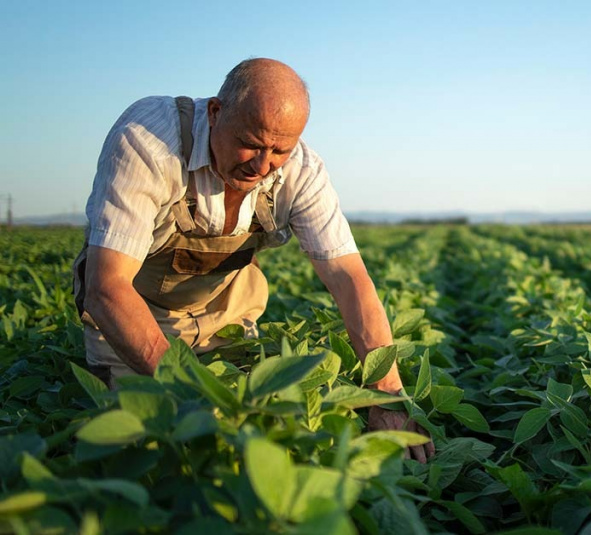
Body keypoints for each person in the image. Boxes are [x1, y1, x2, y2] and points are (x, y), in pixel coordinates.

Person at [72, 58, 434, 462]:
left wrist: (385, 396)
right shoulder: (148, 140)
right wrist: (197, 397)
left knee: (267, 440)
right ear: (215, 112)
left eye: (280, 150)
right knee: (151, 446)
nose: (262, 166)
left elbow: (348, 278)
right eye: (251, 143)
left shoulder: (302, 171)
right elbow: (106, 289)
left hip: (226, 315)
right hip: (134, 317)